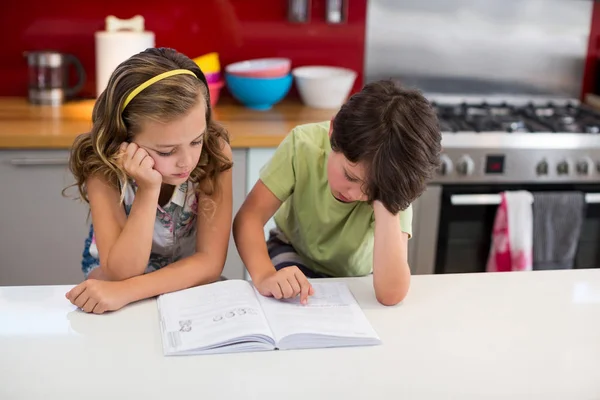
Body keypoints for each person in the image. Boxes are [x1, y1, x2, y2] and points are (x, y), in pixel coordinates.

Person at [233, 79, 441, 306]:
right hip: (293, 251)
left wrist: (384, 197)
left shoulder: (392, 181)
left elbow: (390, 294)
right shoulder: (303, 145)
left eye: (372, 192)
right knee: (289, 306)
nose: (357, 195)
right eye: (351, 177)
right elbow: (249, 218)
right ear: (332, 133)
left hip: (356, 273)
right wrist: (264, 275)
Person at [64, 47, 233, 314]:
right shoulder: (103, 166)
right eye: (166, 151)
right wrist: (148, 190)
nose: (186, 161)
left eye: (195, 140)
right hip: (115, 287)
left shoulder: (214, 152)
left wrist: (127, 292)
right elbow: (121, 273)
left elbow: (210, 263)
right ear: (124, 138)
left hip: (184, 286)